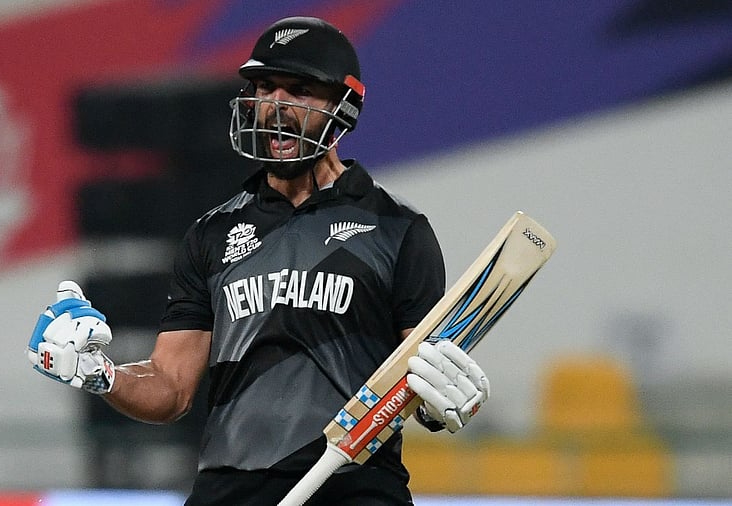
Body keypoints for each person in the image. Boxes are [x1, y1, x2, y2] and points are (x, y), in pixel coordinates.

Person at [27, 16, 490, 505]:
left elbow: (421, 378)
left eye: (299, 91)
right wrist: (101, 373)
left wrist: (442, 404)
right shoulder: (211, 234)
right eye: (266, 87)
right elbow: (171, 387)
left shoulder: (398, 231)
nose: (276, 107)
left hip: (354, 490)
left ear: (344, 105)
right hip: (229, 491)